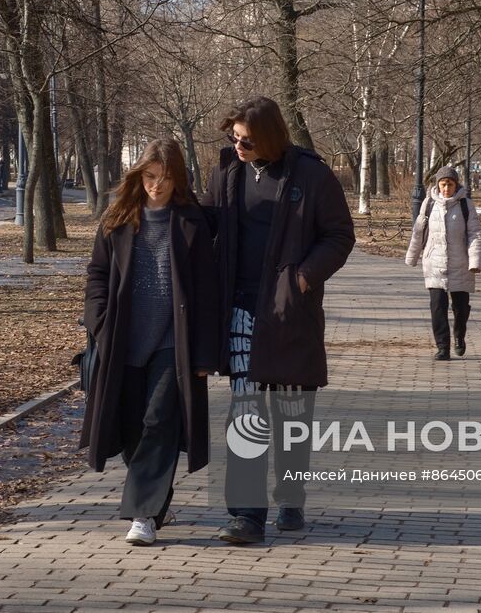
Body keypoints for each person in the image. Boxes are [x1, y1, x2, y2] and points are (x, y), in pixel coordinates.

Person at [204, 96, 355, 545]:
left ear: (269, 136)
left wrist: (304, 279)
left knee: (291, 411)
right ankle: (246, 514)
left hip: (290, 310)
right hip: (241, 310)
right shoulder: (226, 172)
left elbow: (339, 235)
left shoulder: (311, 174)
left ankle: (291, 495)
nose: (238, 146)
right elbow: (206, 226)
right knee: (246, 408)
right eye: (233, 138)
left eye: (246, 140)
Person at [80, 138, 220, 547]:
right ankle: (157, 499)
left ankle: (142, 515)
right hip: (122, 340)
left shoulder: (193, 222)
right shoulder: (117, 219)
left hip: (172, 343)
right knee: (131, 428)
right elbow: (97, 276)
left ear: (180, 179)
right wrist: (100, 321)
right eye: (150, 177)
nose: (157, 186)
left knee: (159, 421)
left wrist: (205, 352)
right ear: (139, 176)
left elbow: (208, 295)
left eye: (166, 178)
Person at [404, 164, 481, 361]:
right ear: (438, 185)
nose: (446, 188)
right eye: (443, 184)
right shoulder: (429, 204)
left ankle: (459, 336)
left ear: (456, 185)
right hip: (434, 264)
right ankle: (442, 347)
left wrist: (475, 261)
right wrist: (412, 257)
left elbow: (475, 234)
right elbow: (419, 232)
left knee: (461, 307)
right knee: (437, 307)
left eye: (450, 184)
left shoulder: (466, 205)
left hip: (461, 264)